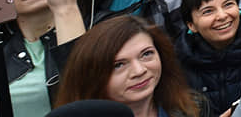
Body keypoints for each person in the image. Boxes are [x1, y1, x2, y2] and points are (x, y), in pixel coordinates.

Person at [55, 15, 202, 117]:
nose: (139, 71)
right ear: (91, 75)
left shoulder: (193, 108)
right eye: (119, 65)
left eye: (146, 54)